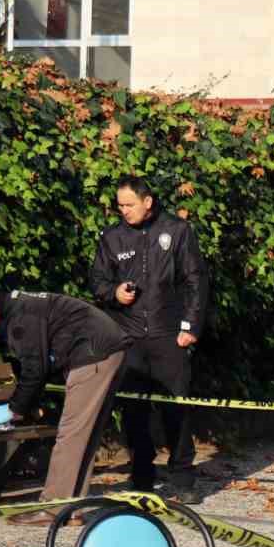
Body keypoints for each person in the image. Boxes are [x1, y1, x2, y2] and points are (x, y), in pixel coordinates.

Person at [88, 175, 210, 501]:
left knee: (176, 408)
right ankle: (141, 475)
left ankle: (183, 479)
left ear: (148, 202)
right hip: (128, 337)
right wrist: (114, 293)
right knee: (133, 411)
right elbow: (97, 282)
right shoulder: (112, 238)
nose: (124, 211)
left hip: (168, 335)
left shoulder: (178, 232)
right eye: (120, 206)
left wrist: (189, 327)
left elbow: (195, 282)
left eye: (129, 205)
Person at [0, 290, 127, 525]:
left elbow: (34, 370)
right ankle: (72, 510)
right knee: (84, 435)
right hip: (108, 347)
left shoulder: (19, 321)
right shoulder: (20, 307)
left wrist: (14, 408)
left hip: (92, 353)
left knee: (70, 434)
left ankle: (52, 508)